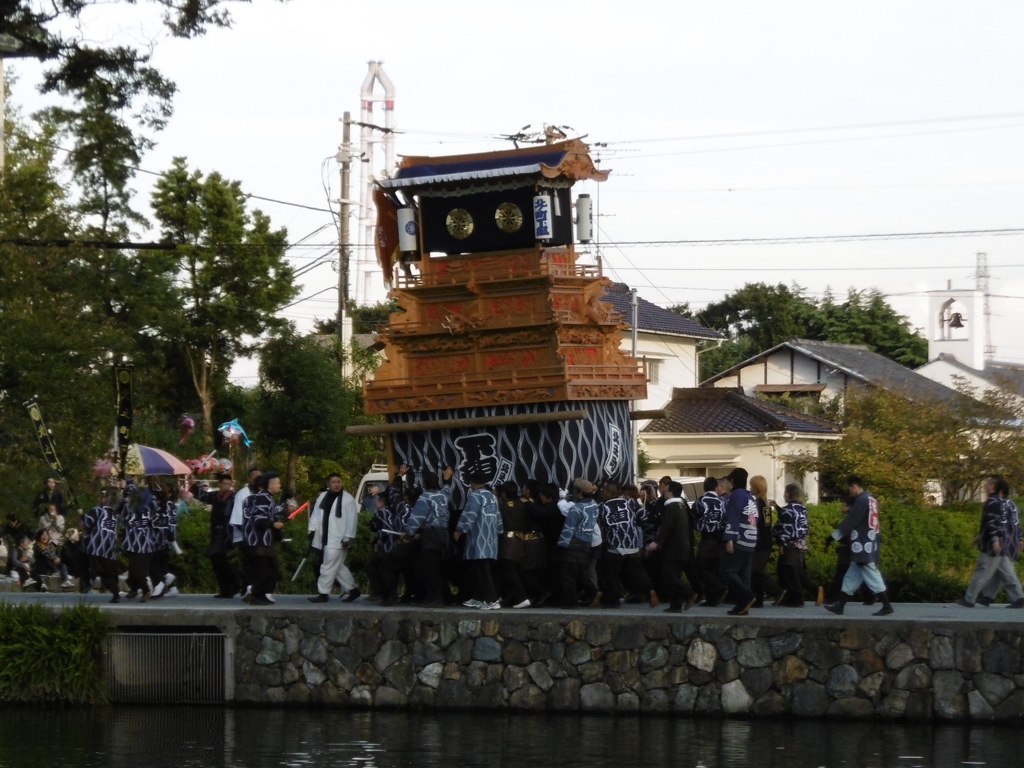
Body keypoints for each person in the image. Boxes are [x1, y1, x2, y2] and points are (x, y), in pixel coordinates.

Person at [824, 475, 894, 616]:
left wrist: (834, 536)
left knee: (871, 573)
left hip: (862, 542)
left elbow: (851, 521)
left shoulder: (861, 500)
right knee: (852, 576)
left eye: (850, 488)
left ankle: (886, 605)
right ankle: (840, 606)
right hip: (870, 540)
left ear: (853, 486)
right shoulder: (871, 499)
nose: (850, 492)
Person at [957, 475, 1024, 609]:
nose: (985, 486)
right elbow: (1014, 523)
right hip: (1007, 543)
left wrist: (994, 540)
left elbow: (992, 523)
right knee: (1005, 572)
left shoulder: (992, 502)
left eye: (987, 484)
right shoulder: (1009, 503)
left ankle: (969, 599)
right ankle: (997, 597)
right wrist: (1020, 539)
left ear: (993, 487)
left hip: (993, 545)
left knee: (983, 571)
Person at [596, 481, 658, 609]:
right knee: (636, 571)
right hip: (632, 543)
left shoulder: (602, 506)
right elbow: (644, 517)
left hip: (614, 544)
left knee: (610, 574)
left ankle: (613, 600)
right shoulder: (629, 502)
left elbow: (601, 524)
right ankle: (650, 589)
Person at [402, 466, 454, 607]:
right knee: (438, 567)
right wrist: (447, 479)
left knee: (429, 568)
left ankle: (436, 598)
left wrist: (408, 531)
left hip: (431, 535)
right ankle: (445, 597)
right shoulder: (442, 495)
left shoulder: (425, 497)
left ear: (424, 485)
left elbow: (417, 517)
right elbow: (447, 488)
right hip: (444, 534)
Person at [307, 473, 360, 603]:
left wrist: (348, 536)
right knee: (338, 566)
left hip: (339, 537)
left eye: (339, 482)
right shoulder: (323, 497)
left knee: (328, 565)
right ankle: (353, 590)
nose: (336, 484)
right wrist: (311, 529)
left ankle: (323, 593)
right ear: (328, 484)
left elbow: (352, 519)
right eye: (334, 482)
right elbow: (316, 514)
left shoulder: (347, 499)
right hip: (323, 536)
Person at [453, 471, 503, 610]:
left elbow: (469, 514)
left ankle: (491, 600)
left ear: (473, 483)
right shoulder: (492, 496)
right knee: (479, 570)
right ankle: (479, 598)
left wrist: (459, 530)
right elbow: (498, 517)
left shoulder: (476, 496)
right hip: (491, 539)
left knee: (482, 571)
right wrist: (499, 531)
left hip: (478, 538)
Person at [647, 480, 697, 613]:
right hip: (684, 547)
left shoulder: (671, 507)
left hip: (674, 549)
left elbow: (665, 527)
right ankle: (675, 605)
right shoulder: (681, 506)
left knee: (668, 575)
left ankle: (689, 593)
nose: (663, 492)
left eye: (666, 489)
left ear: (670, 492)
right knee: (675, 574)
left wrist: (656, 542)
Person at [771, 483, 822, 607]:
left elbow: (786, 526)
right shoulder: (802, 508)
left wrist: (780, 541)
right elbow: (791, 519)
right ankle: (815, 590)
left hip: (790, 544)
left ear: (788, 494)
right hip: (801, 543)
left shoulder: (788, 509)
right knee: (797, 571)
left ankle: (796, 598)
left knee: (789, 572)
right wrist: (777, 507)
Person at [242, 471, 288, 606]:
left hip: (265, 541)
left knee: (271, 569)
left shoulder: (267, 498)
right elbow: (259, 519)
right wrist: (274, 524)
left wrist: (278, 534)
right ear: (271, 484)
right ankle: (257, 595)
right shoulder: (264, 498)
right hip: (259, 541)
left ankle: (261, 595)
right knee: (263, 570)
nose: (280, 485)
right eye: (278, 482)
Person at [195, 474, 241, 599]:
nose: (227, 487)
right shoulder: (215, 496)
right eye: (224, 484)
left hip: (227, 532)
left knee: (218, 556)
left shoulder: (233, 498)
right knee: (217, 559)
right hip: (216, 531)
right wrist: (193, 485)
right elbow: (203, 496)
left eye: (229, 484)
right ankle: (227, 589)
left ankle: (236, 582)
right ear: (219, 484)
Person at [556, 478, 599, 609]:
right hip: (586, 543)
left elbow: (568, 529)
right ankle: (594, 592)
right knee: (580, 572)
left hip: (573, 545)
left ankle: (572, 602)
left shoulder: (576, 509)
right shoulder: (594, 504)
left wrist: (561, 545)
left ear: (579, 492)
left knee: (568, 575)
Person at [721, 468, 758, 616]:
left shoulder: (736, 495)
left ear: (733, 481)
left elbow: (734, 516)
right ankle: (743, 606)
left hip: (739, 538)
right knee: (744, 574)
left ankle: (747, 595)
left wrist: (730, 537)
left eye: (729, 481)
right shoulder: (750, 496)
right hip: (751, 538)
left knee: (728, 571)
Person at [82, 487, 123, 602]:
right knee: (109, 572)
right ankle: (116, 593)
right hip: (110, 548)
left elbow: (87, 523)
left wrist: (82, 515)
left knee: (96, 569)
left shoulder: (98, 510)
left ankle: (87, 583)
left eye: (103, 496)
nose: (101, 498)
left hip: (97, 546)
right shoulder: (115, 514)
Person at [749, 475, 783, 607]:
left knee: (754, 572)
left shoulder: (756, 505)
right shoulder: (766, 505)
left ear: (755, 488)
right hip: (766, 540)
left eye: (751, 485)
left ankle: (776, 590)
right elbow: (767, 524)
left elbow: (755, 524)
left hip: (758, 542)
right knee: (757, 571)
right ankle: (758, 600)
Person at [692, 476, 727, 606]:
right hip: (720, 539)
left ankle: (717, 589)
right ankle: (713, 598)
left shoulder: (700, 502)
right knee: (714, 568)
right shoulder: (723, 502)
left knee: (700, 567)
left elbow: (694, 517)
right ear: (716, 487)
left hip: (706, 539)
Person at [122, 479, 156, 601]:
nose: (128, 497)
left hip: (144, 542)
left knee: (138, 569)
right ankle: (134, 589)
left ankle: (146, 590)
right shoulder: (129, 507)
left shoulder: (151, 503)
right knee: (133, 567)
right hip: (132, 541)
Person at [149, 478, 179, 598]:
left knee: (153, 563)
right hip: (169, 540)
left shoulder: (160, 506)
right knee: (162, 564)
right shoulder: (171, 505)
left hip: (159, 540)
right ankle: (171, 586)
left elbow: (158, 523)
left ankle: (162, 581)